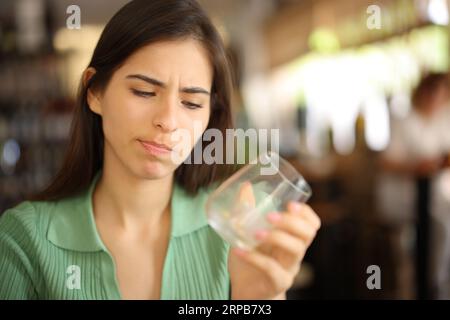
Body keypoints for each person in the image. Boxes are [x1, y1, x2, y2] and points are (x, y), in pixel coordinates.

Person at [0, 0, 320, 300]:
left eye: (191, 103)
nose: (168, 121)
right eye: (143, 92)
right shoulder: (24, 241)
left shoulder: (233, 234)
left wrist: (256, 300)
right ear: (95, 92)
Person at [378, 73, 450, 299]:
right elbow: (386, 162)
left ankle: (434, 286)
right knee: (409, 257)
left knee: (439, 240)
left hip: (434, 199)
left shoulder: (443, 120)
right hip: (405, 200)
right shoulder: (403, 120)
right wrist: (417, 166)